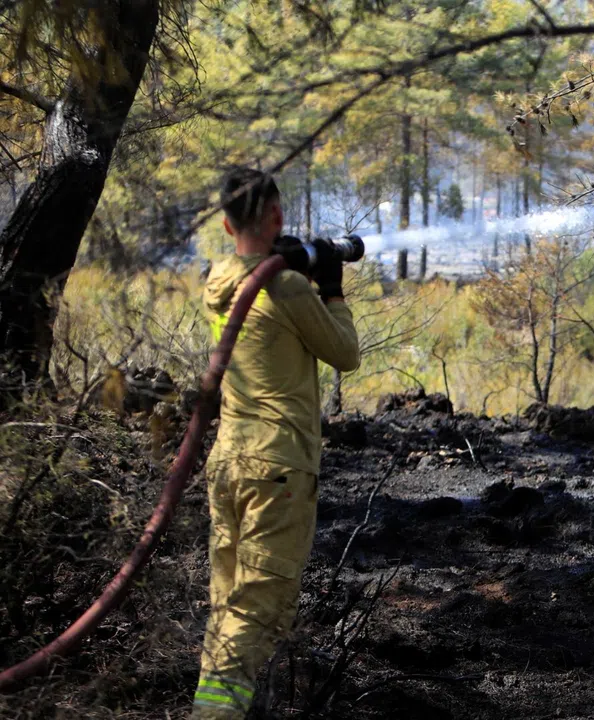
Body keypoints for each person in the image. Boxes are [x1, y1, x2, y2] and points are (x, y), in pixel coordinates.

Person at [192, 167, 360, 718]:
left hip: (228, 463)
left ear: (224, 221)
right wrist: (331, 288)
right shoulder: (285, 287)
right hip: (277, 468)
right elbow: (345, 353)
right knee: (257, 608)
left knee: (228, 605)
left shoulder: (218, 281)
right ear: (278, 217)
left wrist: (286, 259)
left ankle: (222, 706)